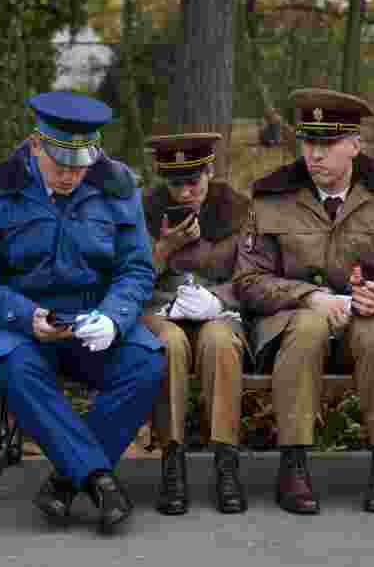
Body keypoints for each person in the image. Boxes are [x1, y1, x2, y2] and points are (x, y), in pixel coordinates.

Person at [0, 92, 167, 534]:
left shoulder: (116, 185)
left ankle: (65, 481)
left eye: (80, 165)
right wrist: (24, 315)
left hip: (92, 322)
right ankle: (97, 480)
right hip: (21, 326)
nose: (72, 175)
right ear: (37, 145)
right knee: (13, 368)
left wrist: (113, 318)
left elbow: (135, 268)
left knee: (146, 362)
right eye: (61, 165)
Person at [233, 88, 374, 515]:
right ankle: (293, 467)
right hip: (293, 318)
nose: (315, 154)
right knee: (308, 326)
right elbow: (248, 279)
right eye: (308, 142)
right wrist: (307, 296)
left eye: (328, 144)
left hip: (364, 315)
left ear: (354, 146)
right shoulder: (271, 197)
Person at [140, 133, 251, 515]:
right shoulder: (144, 213)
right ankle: (173, 462)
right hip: (161, 310)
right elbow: (127, 279)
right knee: (168, 345)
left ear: (210, 172)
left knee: (220, 341)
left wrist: (220, 299)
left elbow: (255, 275)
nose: (186, 192)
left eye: (194, 181)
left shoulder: (237, 211)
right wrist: (162, 250)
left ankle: (226, 461)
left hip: (217, 309)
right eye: (176, 183)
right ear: (163, 181)